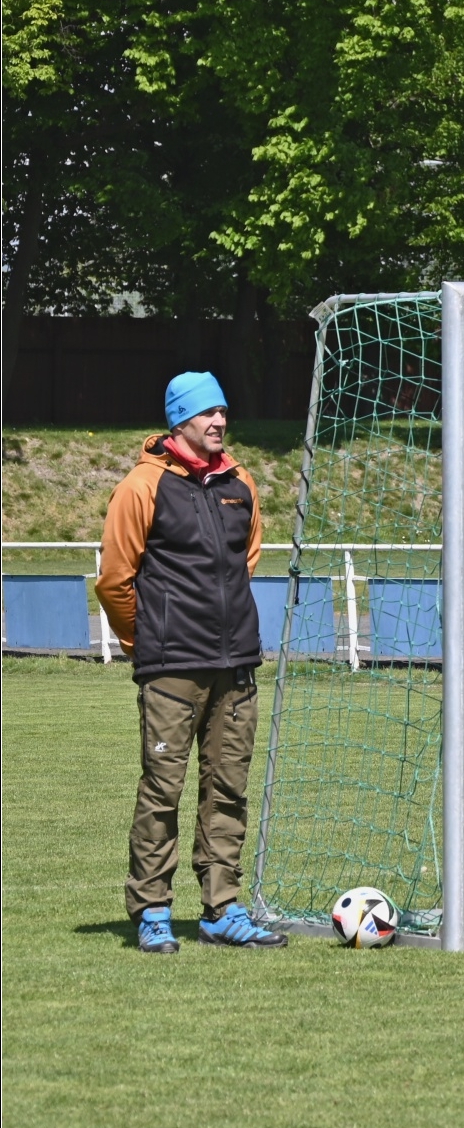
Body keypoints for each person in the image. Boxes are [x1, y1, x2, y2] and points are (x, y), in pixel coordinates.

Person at [98, 372, 288, 952]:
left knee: (228, 790)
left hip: (236, 666)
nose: (219, 422)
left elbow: (244, 562)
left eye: (223, 411)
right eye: (208, 413)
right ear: (180, 420)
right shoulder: (141, 486)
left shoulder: (240, 482)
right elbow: (115, 580)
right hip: (171, 668)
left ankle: (221, 910)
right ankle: (153, 911)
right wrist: (146, 642)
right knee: (162, 790)